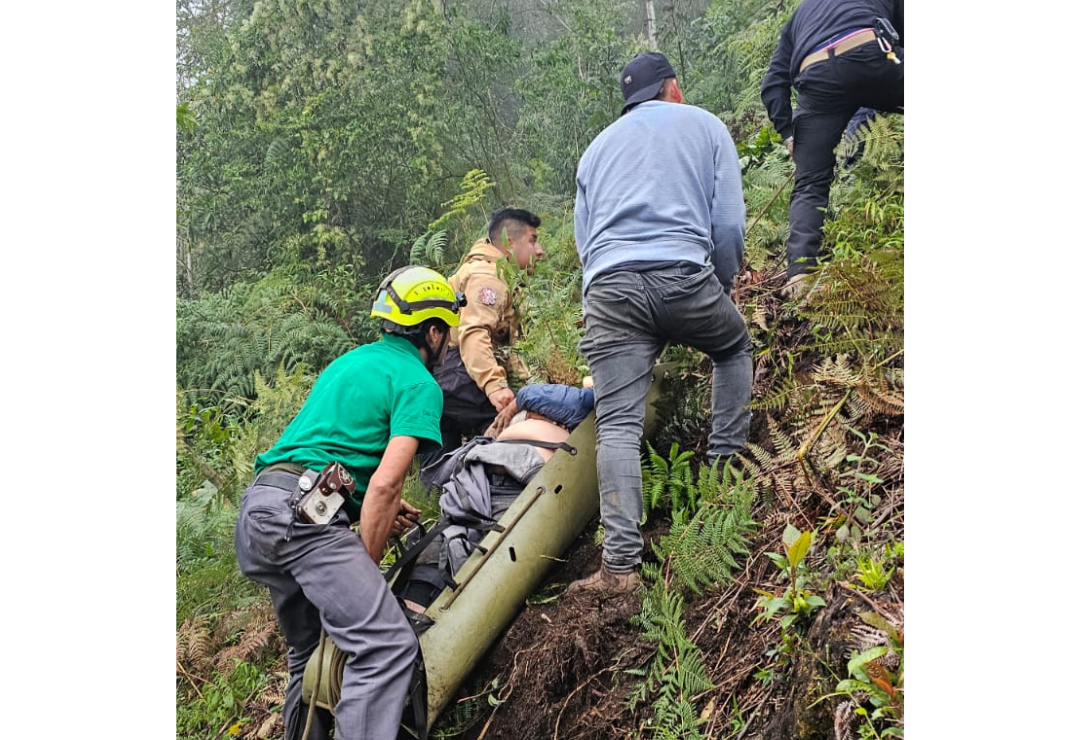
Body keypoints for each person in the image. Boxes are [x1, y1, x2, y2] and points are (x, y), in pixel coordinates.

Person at [233, 266, 465, 740]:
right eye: (448, 333)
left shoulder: (349, 363)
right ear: (434, 331)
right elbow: (385, 484)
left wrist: (357, 510)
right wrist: (365, 565)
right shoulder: (419, 383)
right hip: (304, 522)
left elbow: (327, 455)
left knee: (312, 647)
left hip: (262, 509)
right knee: (385, 646)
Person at [568, 51, 752, 594]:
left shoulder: (596, 150)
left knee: (617, 426)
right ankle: (724, 476)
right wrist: (720, 285)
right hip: (682, 274)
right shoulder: (705, 125)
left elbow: (586, 244)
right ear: (673, 88)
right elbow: (727, 224)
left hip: (609, 288)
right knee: (733, 348)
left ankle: (620, 571)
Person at [760, 0, 904, 298]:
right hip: (870, 53)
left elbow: (773, 81)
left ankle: (799, 275)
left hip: (816, 80)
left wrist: (788, 134)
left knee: (810, 183)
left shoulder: (800, 13)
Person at [423, 208, 545, 480]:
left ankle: (436, 506)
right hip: (455, 371)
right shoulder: (489, 277)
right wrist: (495, 385)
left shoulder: (491, 273)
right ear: (510, 242)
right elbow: (474, 334)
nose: (540, 251)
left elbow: (505, 347)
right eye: (533, 240)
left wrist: (530, 383)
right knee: (512, 424)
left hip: (434, 376)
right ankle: (498, 499)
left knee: (437, 465)